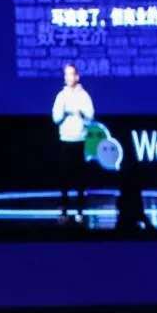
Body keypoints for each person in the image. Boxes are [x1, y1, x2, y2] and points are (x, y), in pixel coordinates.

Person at [51, 63, 94, 223]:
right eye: (66, 74)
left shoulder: (84, 96)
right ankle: (64, 208)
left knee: (80, 176)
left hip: (79, 140)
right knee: (64, 175)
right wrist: (65, 112)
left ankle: (80, 210)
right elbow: (55, 118)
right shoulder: (61, 96)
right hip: (65, 140)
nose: (68, 77)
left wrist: (80, 112)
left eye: (71, 74)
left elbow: (90, 116)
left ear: (77, 76)